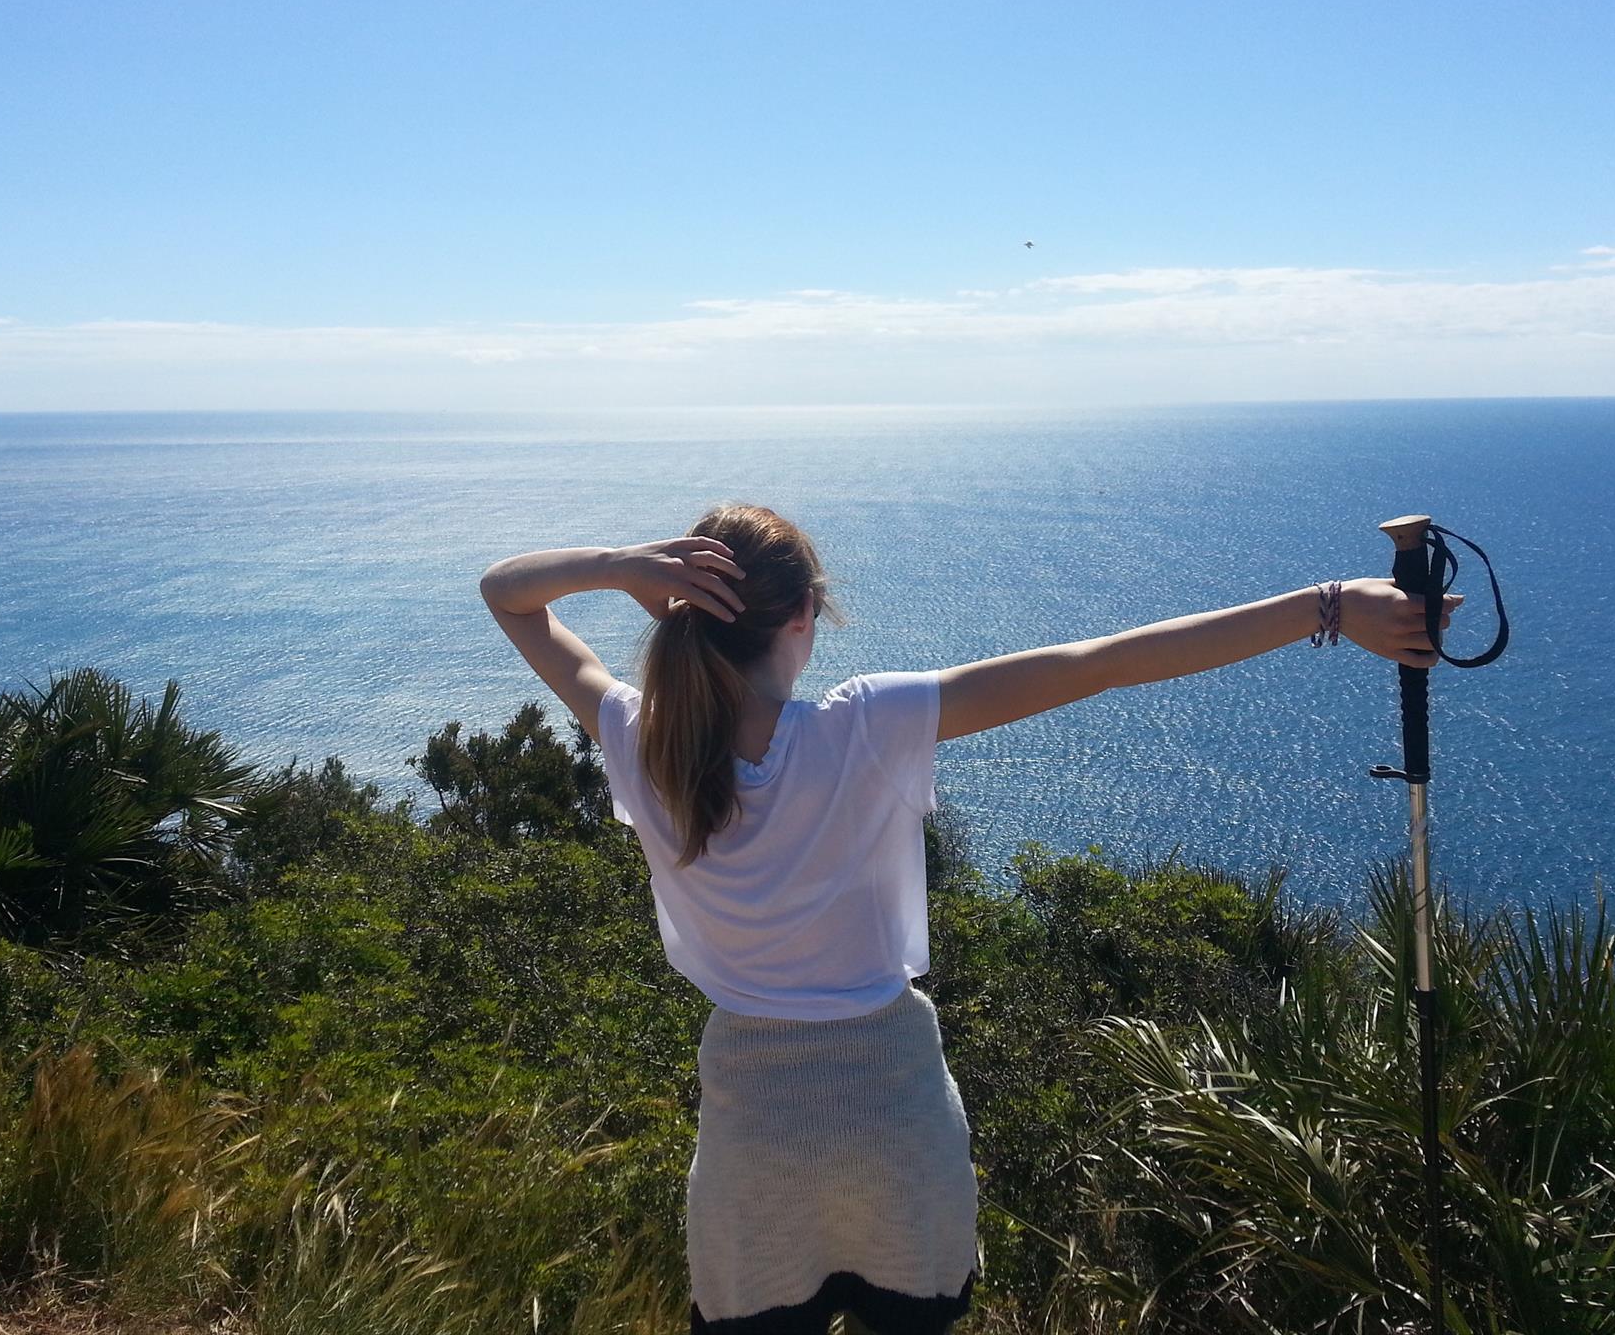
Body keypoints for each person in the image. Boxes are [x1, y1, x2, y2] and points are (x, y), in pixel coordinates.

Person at [478, 502, 1460, 1335]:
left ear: (682, 608)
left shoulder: (641, 742)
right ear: (805, 614)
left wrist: (619, 565)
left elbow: (507, 593)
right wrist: (1330, 607)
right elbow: (1100, 663)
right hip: (896, 1114)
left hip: (754, 1132)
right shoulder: (864, 725)